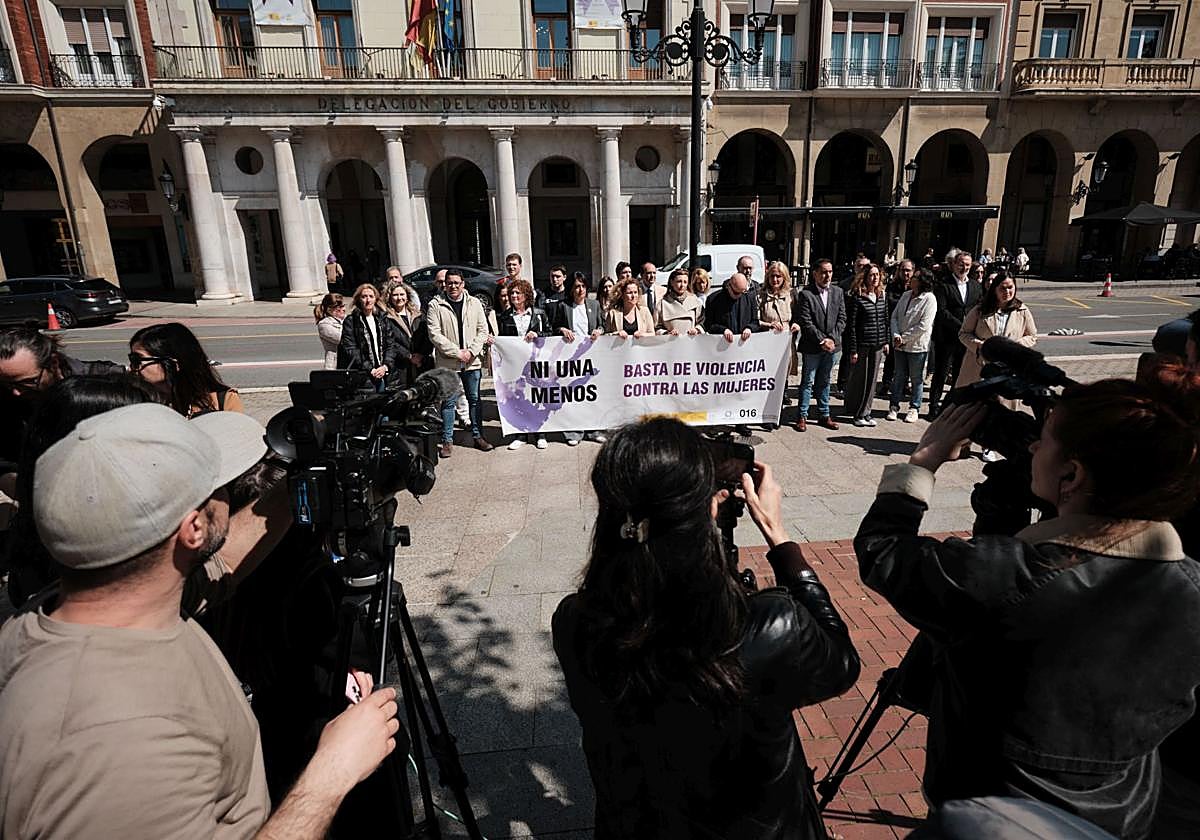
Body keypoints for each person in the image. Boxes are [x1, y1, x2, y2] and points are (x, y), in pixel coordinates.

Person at [0, 402, 399, 839]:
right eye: (218, 486)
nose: (228, 493)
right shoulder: (119, 738)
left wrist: (301, 477)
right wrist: (331, 774)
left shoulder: (78, 604)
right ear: (192, 531)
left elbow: (224, 564)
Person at [854, 362, 1200, 840]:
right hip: (1121, 819)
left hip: (994, 817)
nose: (1032, 445)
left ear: (1073, 474)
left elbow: (883, 553)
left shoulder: (1006, 577)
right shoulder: (1191, 588)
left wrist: (923, 463)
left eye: (1045, 438)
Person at [552, 417, 861, 839]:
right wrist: (779, 536)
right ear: (705, 511)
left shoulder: (575, 620)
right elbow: (841, 663)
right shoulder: (769, 626)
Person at [0, 326, 124, 463]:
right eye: (8, 383)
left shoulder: (105, 382)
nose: (16, 392)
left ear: (54, 363)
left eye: (28, 382)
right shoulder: (5, 396)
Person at [955, 273, 1038, 460]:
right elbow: (963, 333)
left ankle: (990, 446)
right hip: (978, 365)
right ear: (994, 290)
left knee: (1001, 407)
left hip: (1007, 368)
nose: (1007, 292)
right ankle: (963, 443)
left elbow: (1032, 336)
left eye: (1010, 287)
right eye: (1003, 288)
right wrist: (980, 345)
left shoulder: (1022, 310)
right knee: (973, 405)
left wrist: (1015, 346)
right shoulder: (980, 310)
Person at [426, 269, 493, 456]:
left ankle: (478, 436)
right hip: (449, 364)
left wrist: (471, 351)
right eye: (450, 283)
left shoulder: (475, 303)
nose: (453, 286)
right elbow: (434, 334)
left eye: (457, 282)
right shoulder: (435, 305)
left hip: (472, 363)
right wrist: (458, 353)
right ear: (444, 285)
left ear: (463, 284)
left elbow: (483, 329)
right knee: (448, 403)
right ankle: (447, 441)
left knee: (474, 400)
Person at [130, 322, 243, 417]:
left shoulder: (222, 400)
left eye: (137, 360)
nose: (131, 367)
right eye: (131, 359)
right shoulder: (133, 401)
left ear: (174, 363)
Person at [498, 279, 553, 451]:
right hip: (515, 365)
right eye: (511, 293)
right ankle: (520, 434)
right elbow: (503, 340)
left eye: (517, 293)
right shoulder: (505, 316)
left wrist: (537, 333)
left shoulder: (539, 314)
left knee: (537, 397)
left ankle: (540, 434)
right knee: (518, 396)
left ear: (526, 295)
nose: (513, 296)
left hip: (536, 363)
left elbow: (550, 333)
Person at [554, 273, 606, 447]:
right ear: (571, 289)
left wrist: (599, 330)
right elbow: (554, 327)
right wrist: (562, 329)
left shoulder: (595, 305)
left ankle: (593, 430)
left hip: (591, 358)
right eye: (576, 286)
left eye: (583, 286)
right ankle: (574, 432)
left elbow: (603, 325)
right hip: (571, 359)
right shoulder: (564, 306)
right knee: (574, 396)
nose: (580, 290)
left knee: (591, 394)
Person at [928, 250, 981, 418]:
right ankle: (933, 407)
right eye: (961, 264)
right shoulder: (944, 285)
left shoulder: (975, 286)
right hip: (947, 337)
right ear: (954, 265)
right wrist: (962, 327)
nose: (963, 267)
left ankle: (951, 406)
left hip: (966, 340)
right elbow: (942, 312)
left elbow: (978, 309)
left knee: (959, 375)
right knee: (941, 374)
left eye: (967, 264)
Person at [795, 259, 847, 432]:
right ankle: (802, 415)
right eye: (824, 272)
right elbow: (806, 321)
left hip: (832, 347)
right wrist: (822, 340)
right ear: (815, 273)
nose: (827, 276)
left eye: (830, 272)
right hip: (812, 346)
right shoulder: (806, 294)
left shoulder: (838, 292)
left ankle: (824, 414)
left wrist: (832, 339)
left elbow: (842, 319)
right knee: (808, 381)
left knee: (825, 381)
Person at [887, 269, 937, 423]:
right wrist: (896, 335)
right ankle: (894, 406)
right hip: (899, 344)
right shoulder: (906, 295)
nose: (911, 279)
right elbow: (894, 316)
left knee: (916, 378)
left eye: (915, 277)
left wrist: (904, 338)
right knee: (899, 376)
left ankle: (914, 407)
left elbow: (924, 325)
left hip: (916, 346)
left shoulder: (929, 299)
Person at [844, 263, 890, 426]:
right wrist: (854, 349)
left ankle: (866, 412)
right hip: (863, 344)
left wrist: (886, 341)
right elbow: (852, 325)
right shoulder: (858, 296)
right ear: (865, 277)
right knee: (861, 379)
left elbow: (885, 320)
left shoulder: (881, 295)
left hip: (877, 344)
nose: (875, 278)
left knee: (872, 381)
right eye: (872, 275)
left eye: (877, 275)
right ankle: (857, 413)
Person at [336, 284, 397, 390]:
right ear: (358, 299)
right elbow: (351, 349)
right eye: (364, 297)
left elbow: (391, 344)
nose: (368, 300)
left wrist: (386, 366)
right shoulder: (351, 321)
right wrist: (370, 369)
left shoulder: (382, 319)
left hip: (384, 373)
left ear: (376, 299)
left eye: (371, 296)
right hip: (364, 375)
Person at [381, 280, 428, 385]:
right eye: (395, 295)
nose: (399, 298)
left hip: (421, 364)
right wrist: (408, 356)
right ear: (389, 297)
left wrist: (421, 355)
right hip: (400, 367)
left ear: (407, 296)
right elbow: (389, 342)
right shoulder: (386, 318)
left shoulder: (418, 315)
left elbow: (427, 336)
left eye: (402, 294)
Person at [704, 273, 772, 344]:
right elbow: (708, 325)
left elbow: (755, 321)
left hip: (744, 345)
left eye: (743, 292)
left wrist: (749, 328)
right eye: (736, 293)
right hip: (721, 345)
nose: (740, 295)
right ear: (729, 286)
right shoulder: (713, 299)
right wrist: (723, 330)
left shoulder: (749, 298)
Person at [881, 259, 914, 396]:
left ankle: (905, 384)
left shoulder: (915, 287)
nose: (905, 273)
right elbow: (890, 303)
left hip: (910, 327)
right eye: (903, 270)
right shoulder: (893, 286)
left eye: (908, 270)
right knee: (891, 358)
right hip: (894, 325)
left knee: (907, 358)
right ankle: (886, 383)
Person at [655, 268, 703, 335]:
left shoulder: (695, 301)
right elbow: (656, 328)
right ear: (672, 282)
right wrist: (667, 333)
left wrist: (696, 329)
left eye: (685, 282)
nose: (682, 285)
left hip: (691, 341)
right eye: (679, 281)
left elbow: (702, 322)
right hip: (670, 343)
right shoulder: (662, 304)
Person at [314, 293, 346, 371]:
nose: (343, 309)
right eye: (339, 307)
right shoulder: (324, 324)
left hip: (350, 363)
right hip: (335, 366)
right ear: (329, 309)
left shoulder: (347, 320)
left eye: (343, 306)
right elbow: (342, 339)